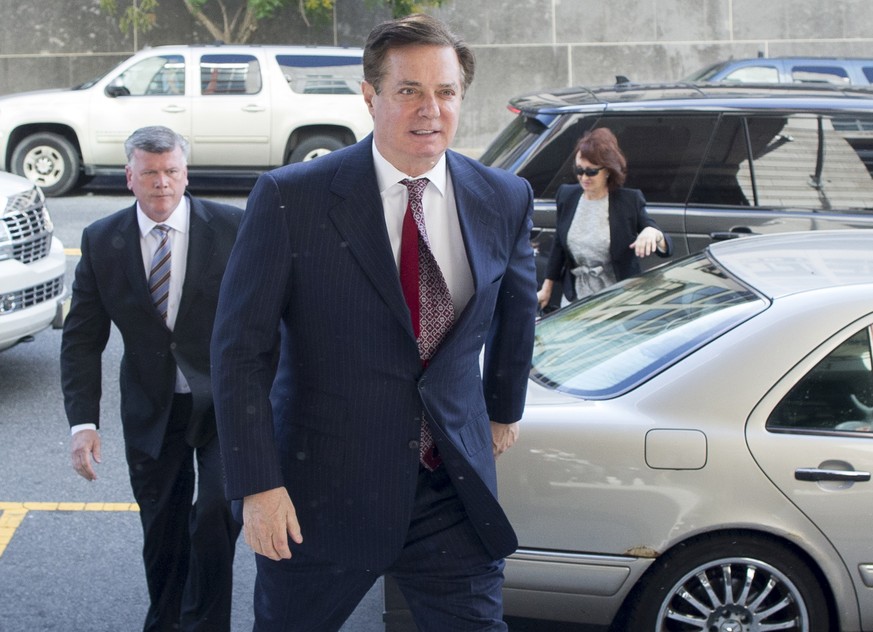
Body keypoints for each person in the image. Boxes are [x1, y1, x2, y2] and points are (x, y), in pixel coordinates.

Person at [210, 13, 538, 632]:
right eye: (408, 90)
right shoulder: (292, 198)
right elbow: (238, 352)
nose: (430, 110)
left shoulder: (502, 197)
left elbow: (518, 311)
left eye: (445, 92)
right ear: (369, 96)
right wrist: (257, 487)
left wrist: (502, 408)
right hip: (318, 496)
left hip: (451, 489)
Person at [60, 125, 243, 632]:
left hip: (223, 404)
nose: (161, 183)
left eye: (171, 172)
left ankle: (207, 625)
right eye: (150, 173)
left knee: (214, 517)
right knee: (162, 529)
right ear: (129, 177)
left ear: (185, 174)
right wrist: (83, 424)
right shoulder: (101, 241)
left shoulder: (233, 227)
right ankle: (164, 623)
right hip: (151, 406)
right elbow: (81, 339)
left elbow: (269, 317)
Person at [537, 127, 673, 309]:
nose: (583, 177)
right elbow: (559, 246)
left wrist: (653, 234)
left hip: (618, 298)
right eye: (579, 170)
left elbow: (663, 244)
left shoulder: (628, 201)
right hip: (576, 296)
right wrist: (547, 288)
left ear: (608, 170)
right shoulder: (567, 196)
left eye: (591, 172)